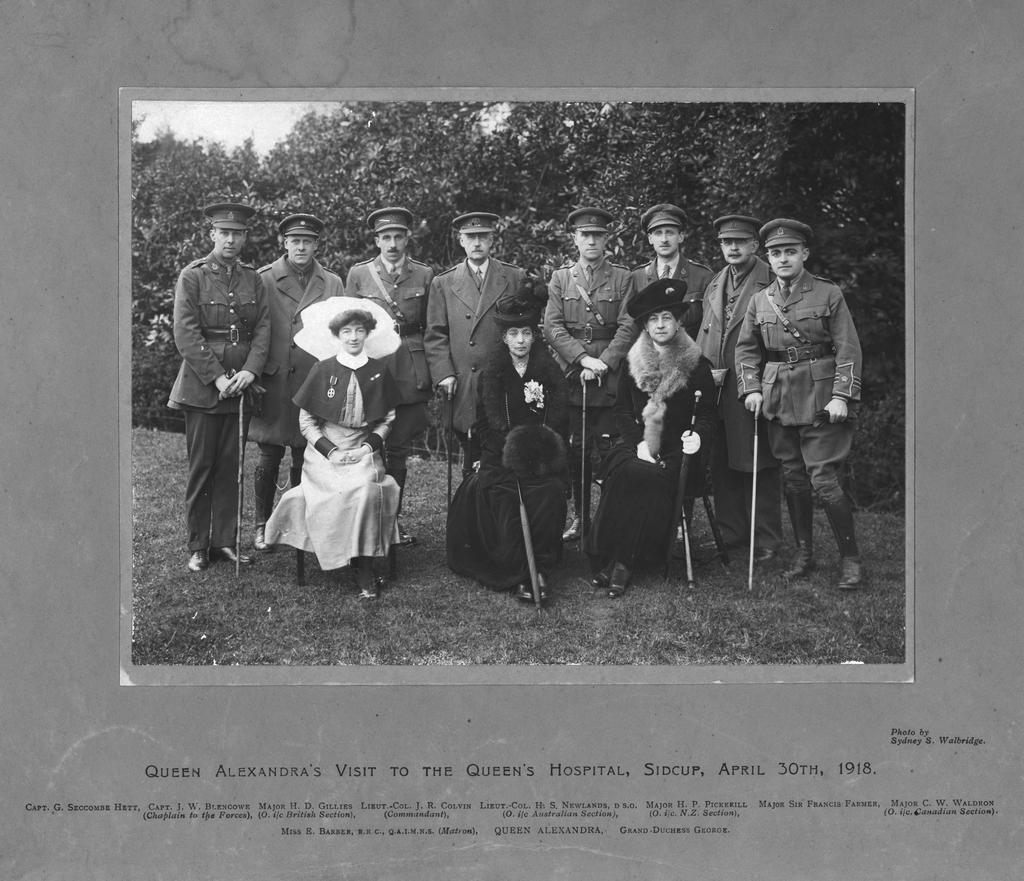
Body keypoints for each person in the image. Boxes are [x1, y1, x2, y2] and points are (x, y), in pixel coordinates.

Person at [734, 219, 864, 589]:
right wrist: (752, 389)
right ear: (768, 258)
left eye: (790, 251)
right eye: (776, 253)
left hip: (821, 398)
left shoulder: (828, 293)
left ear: (804, 254)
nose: (783, 258)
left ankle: (851, 560)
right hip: (778, 400)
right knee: (792, 478)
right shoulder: (760, 300)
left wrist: (842, 395)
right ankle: (804, 553)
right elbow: (746, 350)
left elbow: (848, 347)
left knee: (822, 479)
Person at [585, 278, 716, 597]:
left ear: (678, 321)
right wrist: (639, 444)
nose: (660, 325)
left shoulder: (696, 364)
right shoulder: (633, 363)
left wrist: (697, 436)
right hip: (639, 445)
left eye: (667, 318)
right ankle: (618, 558)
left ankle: (621, 563)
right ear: (645, 324)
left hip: (678, 452)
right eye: (653, 319)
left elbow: (709, 416)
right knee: (625, 468)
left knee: (641, 475)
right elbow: (620, 413)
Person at [263, 309, 401, 599]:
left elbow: (388, 418)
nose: (353, 337)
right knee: (334, 490)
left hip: (363, 445)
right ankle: (340, 553)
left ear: (367, 334)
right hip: (324, 450)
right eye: (347, 331)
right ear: (337, 336)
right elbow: (307, 422)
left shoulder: (378, 369)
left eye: (359, 331)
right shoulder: (323, 369)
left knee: (364, 489)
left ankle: (363, 563)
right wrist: (331, 451)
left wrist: (367, 447)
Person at [167, 201, 270, 573]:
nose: (230, 239)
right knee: (202, 467)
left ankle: (225, 541)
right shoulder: (192, 276)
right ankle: (198, 544)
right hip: (203, 388)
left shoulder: (252, 278)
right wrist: (219, 376)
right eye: (224, 232)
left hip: (241, 386)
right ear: (212, 234)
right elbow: (186, 333)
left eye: (237, 233)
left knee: (231, 467)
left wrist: (251, 372)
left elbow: (262, 329)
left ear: (244, 237)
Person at [446, 291, 569, 601]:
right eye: (513, 333)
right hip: (500, 455)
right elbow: (484, 425)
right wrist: (503, 450)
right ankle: (521, 572)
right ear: (503, 337)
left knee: (549, 493)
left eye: (526, 333)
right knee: (506, 495)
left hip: (540, 455)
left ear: (534, 335)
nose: (520, 341)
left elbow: (558, 418)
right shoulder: (492, 374)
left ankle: (539, 564)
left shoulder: (548, 372)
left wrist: (539, 449)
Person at [248, 213, 345, 553]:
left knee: (306, 454)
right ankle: (262, 524)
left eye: (308, 241)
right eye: (295, 241)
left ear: (317, 244)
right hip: (275, 379)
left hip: (313, 381)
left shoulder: (332, 282)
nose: (301, 247)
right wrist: (254, 375)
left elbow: (339, 333)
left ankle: (298, 520)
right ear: (284, 244)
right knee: (269, 453)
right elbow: (253, 331)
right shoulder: (264, 279)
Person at [543, 207, 636, 542]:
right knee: (577, 450)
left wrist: (606, 361)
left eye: (598, 234)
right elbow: (552, 327)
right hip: (572, 375)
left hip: (610, 377)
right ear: (575, 239)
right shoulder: (561, 278)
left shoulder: (623, 277)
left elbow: (629, 325)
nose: (592, 240)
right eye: (585, 235)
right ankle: (581, 517)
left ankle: (609, 518)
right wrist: (581, 358)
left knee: (610, 450)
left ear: (607, 239)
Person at [697, 214, 783, 563]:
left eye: (740, 242)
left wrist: (758, 383)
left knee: (759, 459)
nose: (732, 248)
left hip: (754, 383)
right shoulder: (717, 281)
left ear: (754, 245)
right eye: (725, 242)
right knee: (723, 460)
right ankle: (731, 532)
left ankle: (766, 537)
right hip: (717, 385)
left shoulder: (771, 279)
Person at [345, 207, 434, 546]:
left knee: (398, 449)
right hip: (373, 366)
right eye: (386, 237)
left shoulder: (424, 275)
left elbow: (432, 327)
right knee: (368, 446)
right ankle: (365, 522)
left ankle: (392, 522)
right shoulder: (359, 275)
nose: (393, 244)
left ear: (408, 237)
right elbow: (349, 325)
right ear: (376, 240)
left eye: (398, 236)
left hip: (409, 367)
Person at [424, 212, 526, 477]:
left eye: (483, 236)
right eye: (471, 237)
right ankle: (471, 511)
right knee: (470, 449)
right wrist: (443, 374)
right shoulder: (443, 283)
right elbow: (435, 334)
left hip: (503, 378)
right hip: (463, 379)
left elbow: (525, 329)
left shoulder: (514, 278)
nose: (477, 242)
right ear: (461, 241)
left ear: (493, 239)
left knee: (503, 449)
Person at [631, 203, 713, 342]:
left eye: (670, 232)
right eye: (658, 233)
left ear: (681, 236)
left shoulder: (703, 277)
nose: (664, 239)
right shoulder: (636, 277)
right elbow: (631, 327)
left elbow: (710, 329)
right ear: (650, 239)